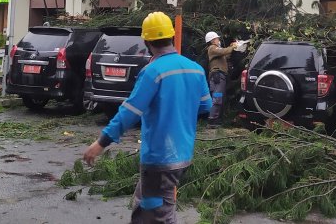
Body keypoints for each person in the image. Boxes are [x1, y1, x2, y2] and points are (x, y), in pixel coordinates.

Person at [83, 12, 211, 223]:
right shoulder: (195, 69)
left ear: (146, 41)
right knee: (145, 207)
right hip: (182, 154)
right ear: (171, 37)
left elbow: (129, 112)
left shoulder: (153, 71)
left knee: (158, 215)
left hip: (159, 159)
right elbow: (206, 106)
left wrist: (101, 142)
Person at [205, 31, 236, 127]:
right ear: (212, 40)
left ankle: (216, 119)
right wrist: (232, 47)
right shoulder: (212, 48)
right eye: (217, 38)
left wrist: (232, 47)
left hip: (219, 76)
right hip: (217, 76)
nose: (218, 40)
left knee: (218, 97)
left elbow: (226, 54)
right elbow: (224, 51)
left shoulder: (217, 50)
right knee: (217, 97)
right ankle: (212, 120)